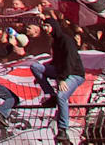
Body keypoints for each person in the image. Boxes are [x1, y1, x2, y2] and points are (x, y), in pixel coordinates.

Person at [28, 10, 85, 144]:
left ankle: (63, 129)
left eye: (46, 26)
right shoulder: (54, 42)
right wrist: (45, 72)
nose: (44, 29)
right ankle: (51, 95)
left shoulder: (66, 40)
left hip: (74, 74)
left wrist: (63, 78)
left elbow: (69, 61)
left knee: (62, 96)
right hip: (61, 72)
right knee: (35, 67)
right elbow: (56, 61)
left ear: (53, 26)